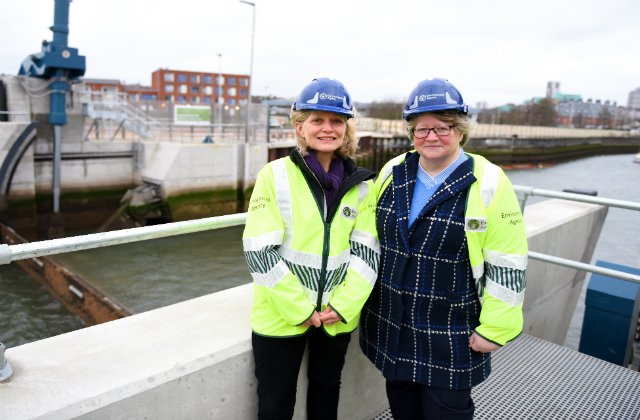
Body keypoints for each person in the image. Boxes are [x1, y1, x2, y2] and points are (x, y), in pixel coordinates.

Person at [359, 78, 528, 420]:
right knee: (402, 407)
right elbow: (366, 241)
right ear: (411, 133)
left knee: (447, 413)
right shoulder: (394, 171)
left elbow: (508, 260)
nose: (431, 137)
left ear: (462, 130)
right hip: (394, 323)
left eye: (443, 127)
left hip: (450, 328)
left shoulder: (489, 181)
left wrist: (495, 329)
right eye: (421, 129)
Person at [243, 78, 380, 420]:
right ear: (300, 127)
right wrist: (299, 309)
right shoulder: (274, 176)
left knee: (326, 394)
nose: (327, 128)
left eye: (337, 121)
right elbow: (260, 252)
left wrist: (343, 304)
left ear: (347, 128)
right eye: (317, 120)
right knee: (274, 405)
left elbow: (368, 253)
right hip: (280, 315)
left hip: (335, 316)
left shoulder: (363, 186)